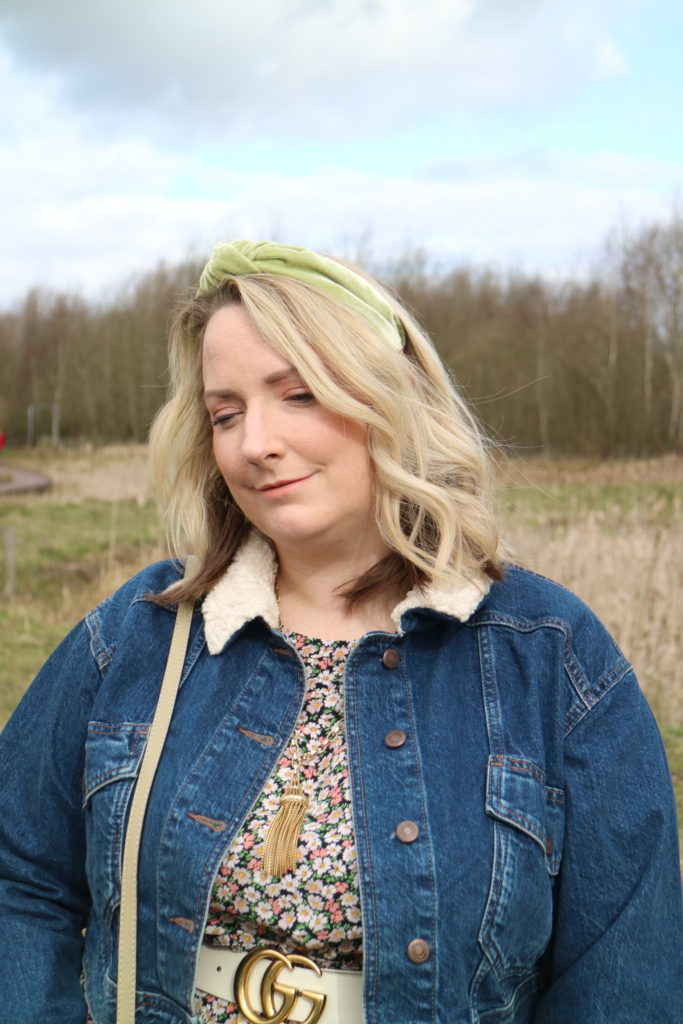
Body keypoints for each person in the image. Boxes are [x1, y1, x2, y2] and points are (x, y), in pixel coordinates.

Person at [0, 240, 681, 1024]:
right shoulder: (138, 637)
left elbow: (625, 980)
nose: (254, 443)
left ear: (385, 398)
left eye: (296, 396)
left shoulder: (551, 659)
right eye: (226, 414)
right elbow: (20, 877)